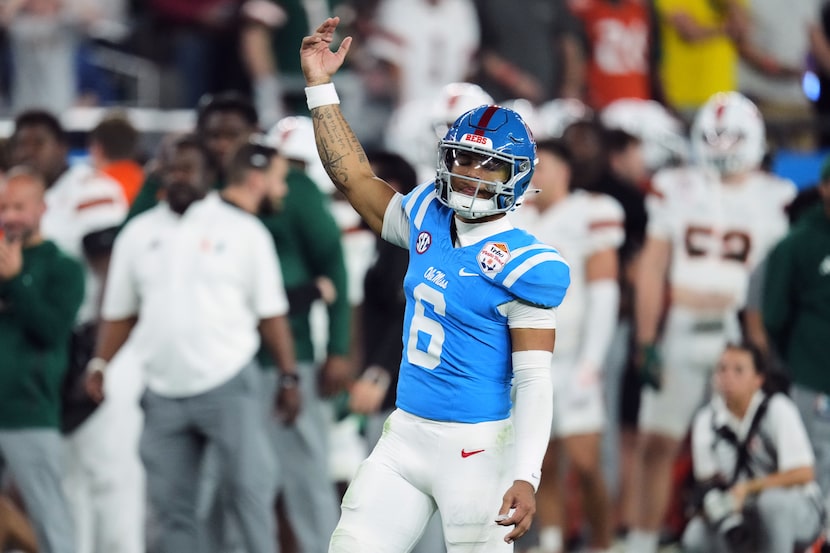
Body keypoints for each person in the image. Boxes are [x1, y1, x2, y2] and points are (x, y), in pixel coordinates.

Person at [300, 17, 571, 552]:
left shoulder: (527, 263)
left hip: (478, 450)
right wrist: (320, 86)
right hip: (404, 435)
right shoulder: (426, 212)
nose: (470, 172)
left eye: (488, 165)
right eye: (463, 158)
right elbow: (354, 178)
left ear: (516, 175)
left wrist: (527, 474)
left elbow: (534, 381)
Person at [84, 135, 300, 553]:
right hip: (162, 391)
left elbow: (271, 313)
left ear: (209, 173)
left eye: (187, 168)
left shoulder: (243, 229)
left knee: (249, 494)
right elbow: (120, 312)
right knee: (172, 509)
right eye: (171, 168)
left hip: (229, 383)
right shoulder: (138, 233)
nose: (178, 176)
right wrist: (99, 364)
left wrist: (288, 376)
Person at [623, 91, 796, 553]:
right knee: (656, 442)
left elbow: (778, 282)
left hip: (738, 332)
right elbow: (652, 267)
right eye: (714, 136)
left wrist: (769, 346)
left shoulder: (776, 196)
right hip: (682, 327)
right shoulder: (677, 186)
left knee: (748, 446)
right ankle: (641, 540)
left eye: (730, 137)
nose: (721, 147)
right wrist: (646, 338)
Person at [510, 139, 623, 553]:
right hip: (528, 357)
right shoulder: (514, 216)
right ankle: (553, 542)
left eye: (543, 168)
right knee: (540, 461)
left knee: (585, 462)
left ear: (565, 172)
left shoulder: (589, 212)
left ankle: (602, 544)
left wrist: (592, 361)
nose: (535, 177)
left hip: (574, 356)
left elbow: (604, 293)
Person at [0, 167, 85, 553]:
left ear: (42, 207)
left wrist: (16, 280)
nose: (9, 216)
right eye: (4, 207)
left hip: (30, 412)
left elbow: (51, 331)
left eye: (19, 207)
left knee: (50, 519)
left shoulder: (63, 266)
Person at [681, 341, 824, 553]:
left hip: (797, 510)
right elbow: (707, 483)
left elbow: (804, 473)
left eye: (738, 370)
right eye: (722, 369)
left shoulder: (777, 408)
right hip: (740, 511)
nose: (728, 377)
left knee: (771, 503)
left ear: (758, 379)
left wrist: (749, 488)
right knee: (696, 536)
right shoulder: (707, 420)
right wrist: (712, 504)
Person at [762, 157, 830, 541]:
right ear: (824, 188)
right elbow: (773, 315)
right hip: (812, 373)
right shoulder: (798, 243)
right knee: (811, 466)